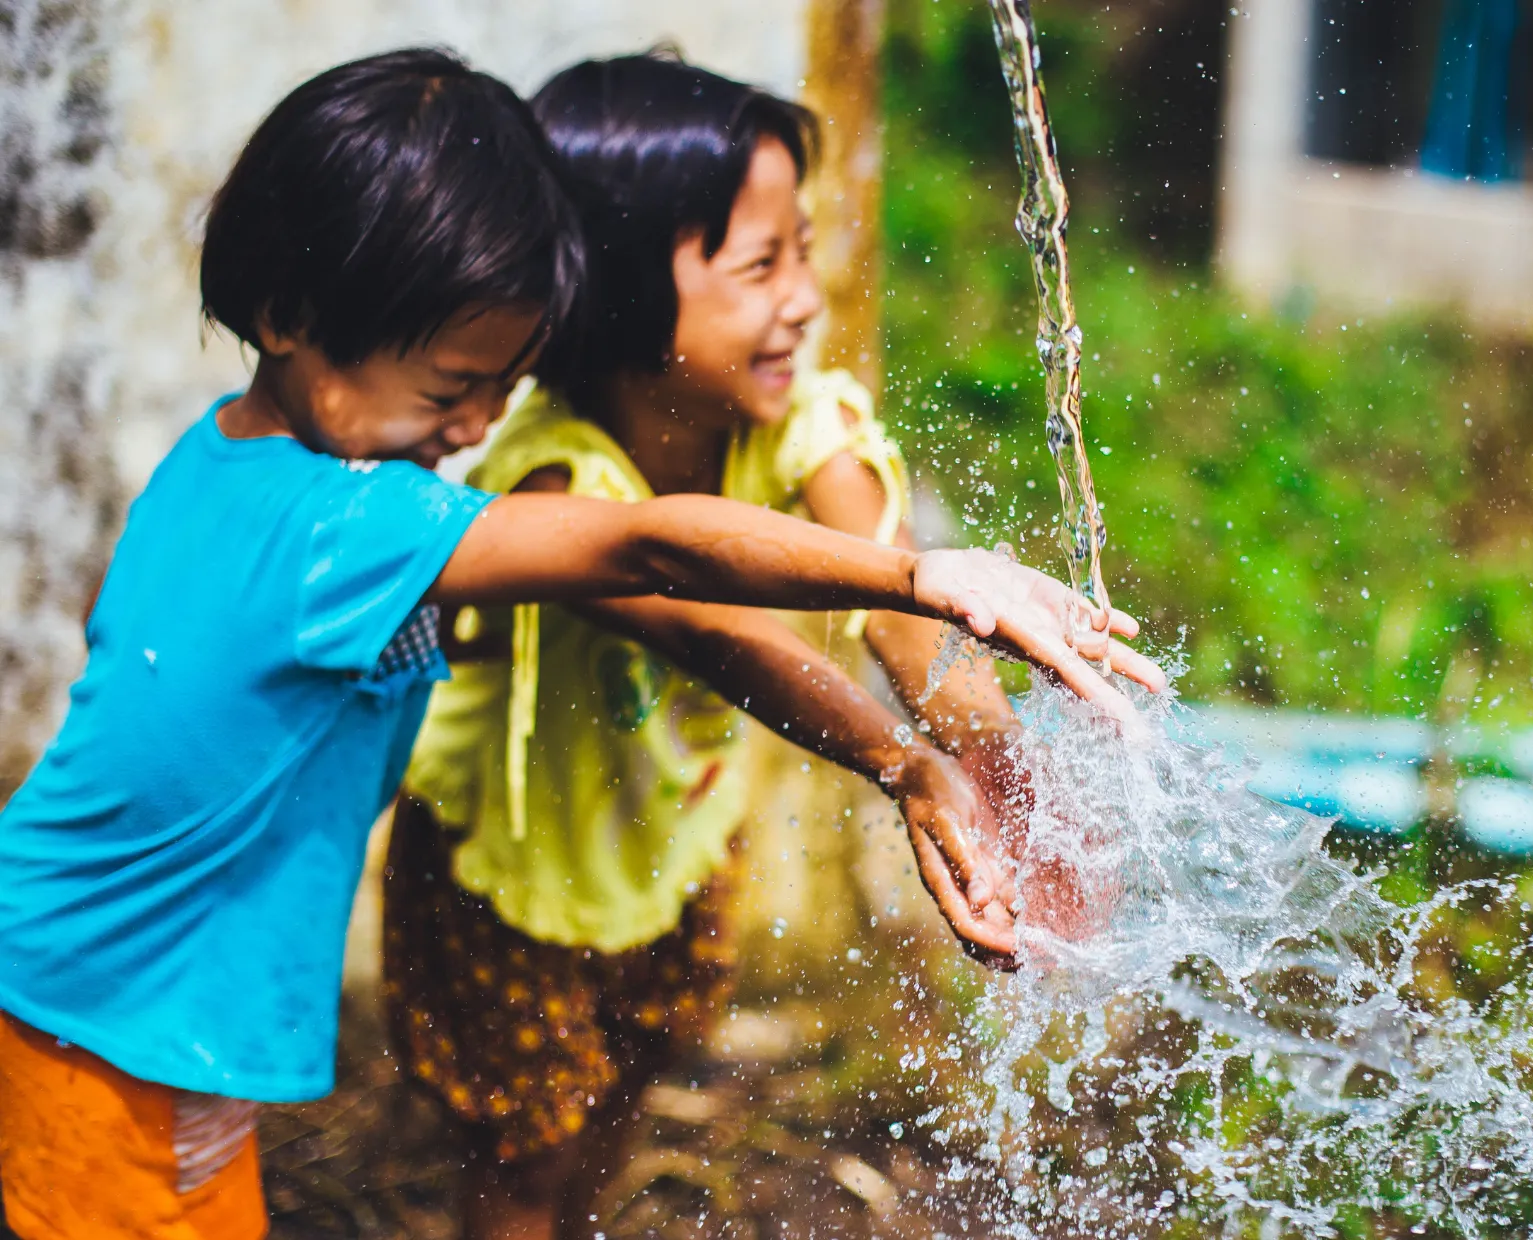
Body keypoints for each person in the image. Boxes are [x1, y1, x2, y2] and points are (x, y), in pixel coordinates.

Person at [0, 49, 1161, 1240]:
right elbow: (653, 551)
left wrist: (967, 745)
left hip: (127, 998)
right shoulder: (345, 522)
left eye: (498, 387)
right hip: (106, 1008)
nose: (471, 427)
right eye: (448, 388)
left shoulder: (226, 462)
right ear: (289, 317)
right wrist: (918, 577)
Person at [381, 53, 1143, 1240]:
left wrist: (994, 759)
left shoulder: (792, 419)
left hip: (675, 836)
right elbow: (715, 630)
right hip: (510, 869)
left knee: (628, 1087)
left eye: (802, 250)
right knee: (525, 1157)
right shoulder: (550, 478)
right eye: (759, 265)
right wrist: (902, 764)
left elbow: (897, 602)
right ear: (619, 293)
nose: (802, 295)